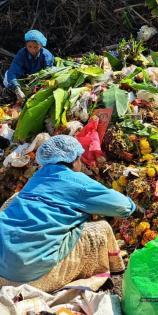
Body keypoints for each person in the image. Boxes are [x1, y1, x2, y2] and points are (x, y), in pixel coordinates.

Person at [0, 135, 136, 292]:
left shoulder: (36, 178)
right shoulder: (78, 182)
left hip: (3, 267)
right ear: (74, 159)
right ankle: (114, 269)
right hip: (30, 274)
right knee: (101, 229)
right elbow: (123, 207)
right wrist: (134, 207)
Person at [2, 30, 54, 104]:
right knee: (8, 77)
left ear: (41, 46)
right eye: (29, 46)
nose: (32, 50)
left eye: (36, 47)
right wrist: (17, 89)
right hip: (24, 77)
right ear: (26, 45)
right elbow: (13, 71)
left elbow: (48, 74)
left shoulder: (46, 56)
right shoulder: (22, 53)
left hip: (37, 80)